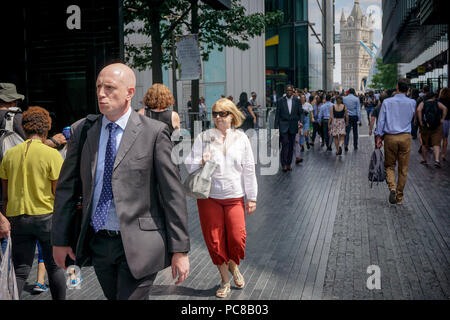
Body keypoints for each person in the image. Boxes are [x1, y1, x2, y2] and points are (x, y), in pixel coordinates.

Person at [51, 63, 190, 300]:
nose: (101, 93)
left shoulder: (154, 133)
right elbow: (67, 189)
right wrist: (60, 240)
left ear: (130, 93)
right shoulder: (84, 130)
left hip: (141, 244)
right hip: (99, 242)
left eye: (110, 88)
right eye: (98, 87)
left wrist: (180, 249)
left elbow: (172, 194)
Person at [185, 98, 257, 298]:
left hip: (234, 196)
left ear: (232, 116)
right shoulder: (204, 137)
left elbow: (249, 169)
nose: (217, 117)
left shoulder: (242, 138)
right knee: (215, 241)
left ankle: (234, 266)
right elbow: (189, 165)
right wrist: (201, 160)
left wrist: (252, 198)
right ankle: (225, 280)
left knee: (236, 238)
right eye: (214, 113)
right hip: (209, 198)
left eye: (222, 114)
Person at [0, 106, 66, 299]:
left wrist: (7, 216)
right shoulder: (52, 155)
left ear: (24, 127)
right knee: (54, 268)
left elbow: (5, 195)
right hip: (46, 217)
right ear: (46, 128)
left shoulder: (9, 155)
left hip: (17, 218)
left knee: (20, 269)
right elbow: (58, 193)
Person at [375, 79, 416, 205]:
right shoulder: (412, 102)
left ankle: (392, 187)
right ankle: (399, 197)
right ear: (408, 89)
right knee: (403, 168)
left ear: (397, 87)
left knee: (390, 165)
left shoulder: (387, 102)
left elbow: (381, 121)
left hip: (390, 137)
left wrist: (379, 137)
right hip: (405, 137)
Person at [275, 85, 304, 172]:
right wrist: (275, 128)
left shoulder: (297, 101)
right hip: (283, 125)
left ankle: (288, 164)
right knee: (285, 144)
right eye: (287, 90)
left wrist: (301, 121)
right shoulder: (280, 101)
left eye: (290, 90)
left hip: (293, 125)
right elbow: (277, 115)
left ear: (292, 91)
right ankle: (283, 164)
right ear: (285, 91)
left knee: (291, 145)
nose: (289, 92)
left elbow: (301, 113)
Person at [416, 92, 447, 168]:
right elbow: (445, 108)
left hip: (425, 126)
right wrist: (442, 119)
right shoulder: (437, 103)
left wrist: (420, 121)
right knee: (436, 144)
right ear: (433, 97)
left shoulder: (423, 103)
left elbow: (418, 110)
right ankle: (437, 161)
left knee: (424, 144)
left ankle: (424, 159)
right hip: (437, 126)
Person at [438, 88, 450, 162]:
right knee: (445, 138)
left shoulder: (438, 101)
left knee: (438, 138)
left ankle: (438, 152)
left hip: (439, 121)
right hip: (447, 121)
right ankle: (443, 154)